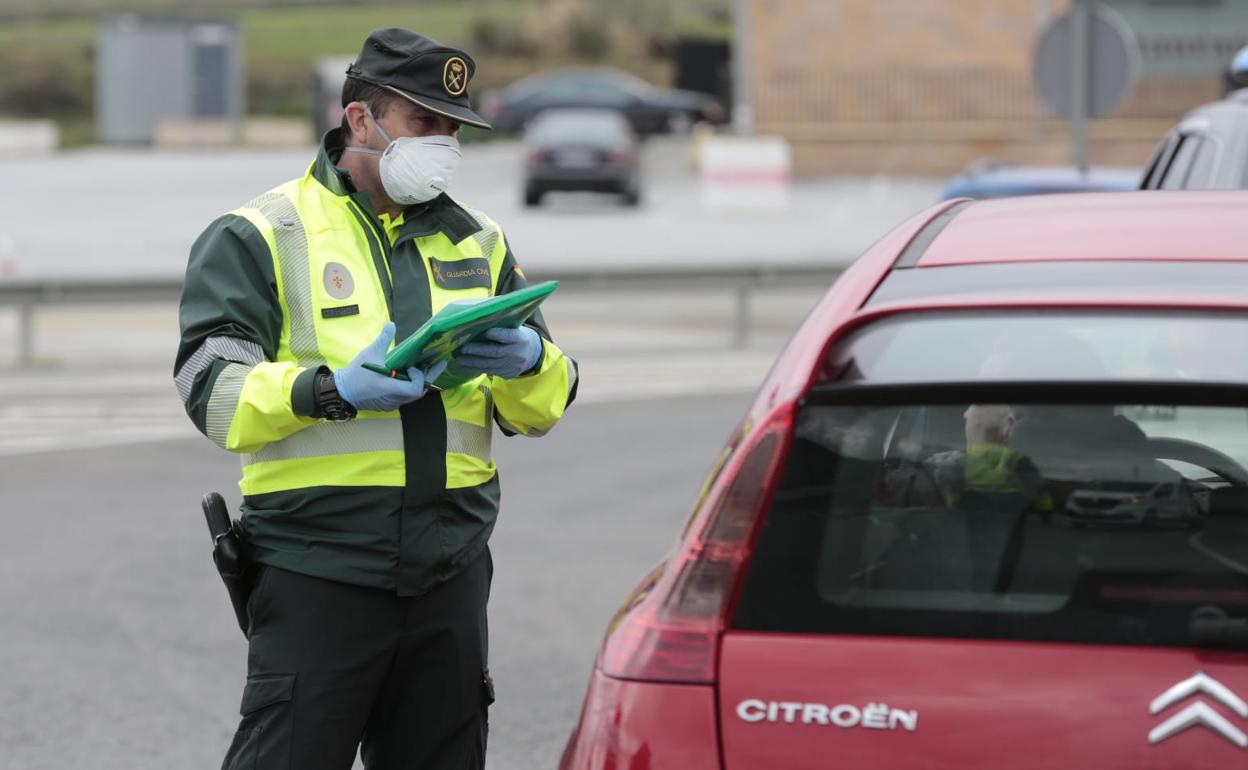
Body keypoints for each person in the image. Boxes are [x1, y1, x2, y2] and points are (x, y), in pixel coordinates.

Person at [173, 28, 578, 770]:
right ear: (361, 120)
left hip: (450, 573)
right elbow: (212, 392)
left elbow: (540, 408)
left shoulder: (478, 240)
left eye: (454, 129)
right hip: (315, 569)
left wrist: (528, 362)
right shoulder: (261, 232)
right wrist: (328, 390)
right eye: (426, 124)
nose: (444, 145)